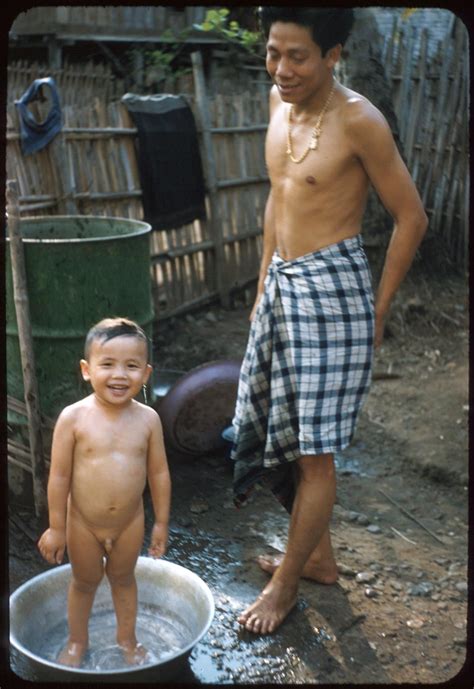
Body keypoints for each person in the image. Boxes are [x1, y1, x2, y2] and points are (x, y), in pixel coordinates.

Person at [231, 7, 428, 635]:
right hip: (283, 285)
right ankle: (316, 556)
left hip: (334, 294)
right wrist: (263, 279)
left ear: (333, 54)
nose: (282, 69)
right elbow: (278, 194)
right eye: (273, 53)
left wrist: (378, 309)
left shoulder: (360, 120)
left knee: (314, 454)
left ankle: (286, 586)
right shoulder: (276, 101)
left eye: (298, 57)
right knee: (266, 429)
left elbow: (412, 218)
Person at [38, 317, 171, 667]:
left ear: (146, 373)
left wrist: (161, 523)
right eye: (107, 364)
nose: (119, 375)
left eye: (132, 366)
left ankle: (127, 639)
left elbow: (158, 473)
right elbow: (59, 477)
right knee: (84, 582)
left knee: (124, 580)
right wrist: (57, 527)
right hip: (83, 522)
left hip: (130, 522)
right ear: (86, 369)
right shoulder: (73, 418)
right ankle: (76, 641)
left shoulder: (148, 420)